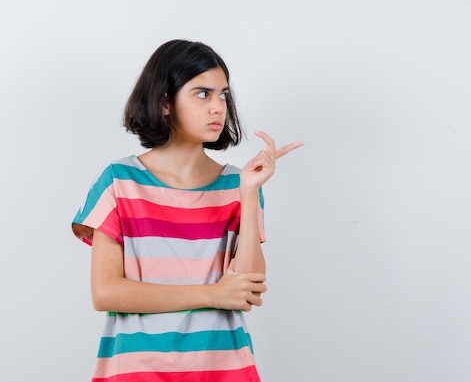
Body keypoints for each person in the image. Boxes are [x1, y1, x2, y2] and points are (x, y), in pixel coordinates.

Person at [71, 39, 302, 382]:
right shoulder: (118, 182)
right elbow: (106, 293)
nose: (217, 107)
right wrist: (212, 294)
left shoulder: (238, 186)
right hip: (136, 372)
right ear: (165, 102)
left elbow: (246, 292)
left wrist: (249, 193)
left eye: (223, 95)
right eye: (202, 94)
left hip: (223, 370)